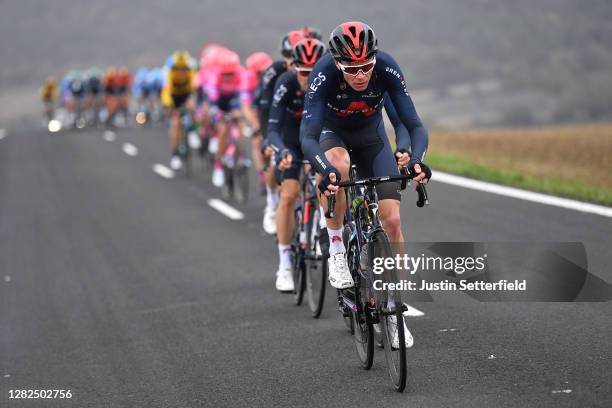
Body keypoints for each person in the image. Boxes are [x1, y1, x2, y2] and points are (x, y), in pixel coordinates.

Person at [300, 21, 432, 347]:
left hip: (373, 140)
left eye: (366, 67)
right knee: (340, 168)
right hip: (334, 137)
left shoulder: (386, 66)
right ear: (338, 64)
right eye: (352, 68)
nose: (360, 75)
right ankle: (336, 249)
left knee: (392, 220)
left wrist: (415, 159)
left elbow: (413, 123)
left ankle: (393, 309)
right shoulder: (324, 74)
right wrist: (325, 170)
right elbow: (307, 136)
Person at [267, 38, 326, 291]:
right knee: (289, 195)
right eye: (303, 72)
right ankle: (285, 266)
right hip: (291, 141)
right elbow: (273, 127)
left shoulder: (328, 83)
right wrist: (280, 150)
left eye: (314, 72)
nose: (309, 77)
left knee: (330, 180)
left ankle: (324, 227)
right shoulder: (286, 83)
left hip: (318, 140)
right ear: (294, 69)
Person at [257, 30, 305, 235]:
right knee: (271, 154)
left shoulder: (313, 73)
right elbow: (266, 108)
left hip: (307, 128)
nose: (293, 62)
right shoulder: (275, 73)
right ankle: (271, 201)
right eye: (289, 58)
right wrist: (268, 139)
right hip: (281, 123)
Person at [161, 51, 196, 170]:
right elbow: (166, 91)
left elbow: (194, 88)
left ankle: (192, 130)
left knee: (192, 106)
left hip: (186, 95)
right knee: (176, 123)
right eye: (178, 69)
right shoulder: (170, 74)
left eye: (184, 68)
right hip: (174, 98)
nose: (181, 71)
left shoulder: (190, 73)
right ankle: (175, 154)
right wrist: (168, 105)